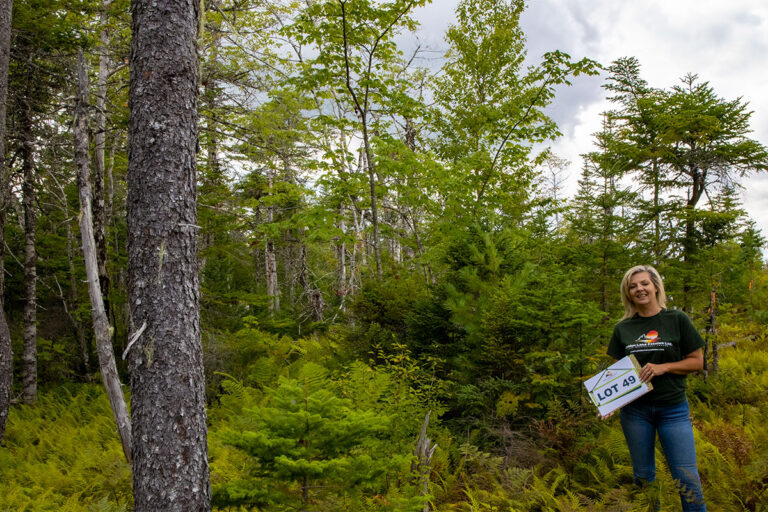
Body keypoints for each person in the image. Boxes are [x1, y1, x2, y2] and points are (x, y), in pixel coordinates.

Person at [604, 265, 707, 511]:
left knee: (687, 478)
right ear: (627, 293)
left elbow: (697, 362)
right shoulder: (623, 328)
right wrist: (609, 404)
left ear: (655, 286)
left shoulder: (677, 319)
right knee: (643, 478)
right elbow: (619, 376)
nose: (639, 289)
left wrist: (664, 367)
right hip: (636, 414)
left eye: (644, 283)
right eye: (633, 286)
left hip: (673, 410)